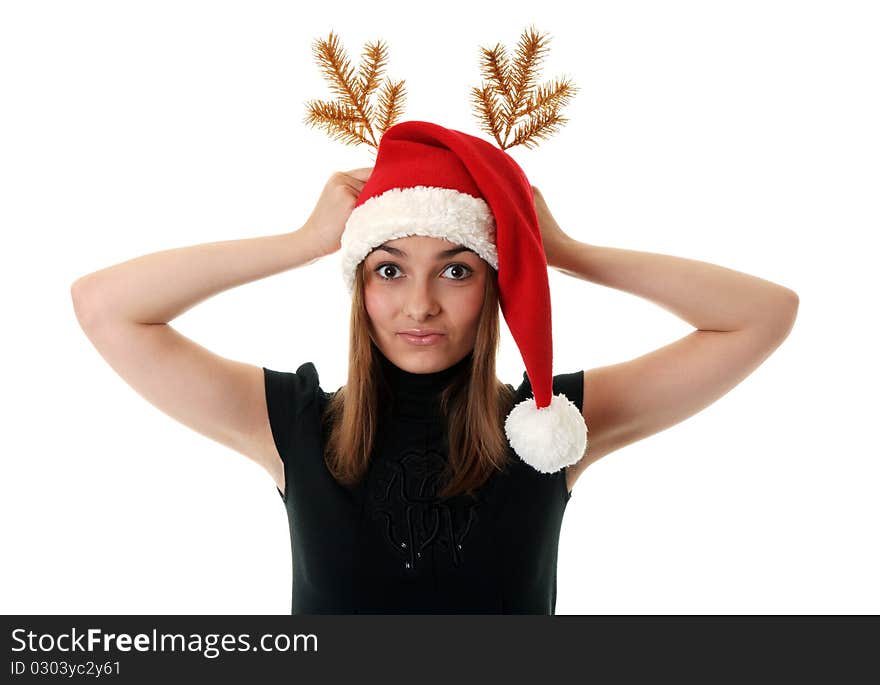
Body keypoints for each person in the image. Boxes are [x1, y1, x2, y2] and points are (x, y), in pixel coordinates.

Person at [71, 124, 799, 614]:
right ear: (360, 285)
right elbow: (105, 306)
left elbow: (763, 315)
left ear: (493, 282)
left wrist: (560, 250)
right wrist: (304, 241)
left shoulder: (550, 429)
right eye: (389, 268)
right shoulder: (294, 424)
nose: (418, 305)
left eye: (455, 269)